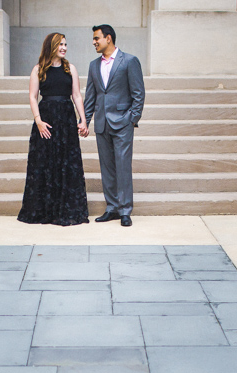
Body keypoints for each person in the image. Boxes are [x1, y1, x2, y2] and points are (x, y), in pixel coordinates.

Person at [17, 33, 90, 226]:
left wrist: (82, 120)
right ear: (52, 46)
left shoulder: (70, 68)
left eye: (66, 44)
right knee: (45, 163)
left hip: (66, 120)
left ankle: (65, 209)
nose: (64, 48)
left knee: (66, 163)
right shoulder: (38, 69)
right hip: (46, 120)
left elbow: (77, 96)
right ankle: (45, 210)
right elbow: (33, 96)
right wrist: (38, 121)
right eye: (61, 44)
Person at [82, 24, 145, 227]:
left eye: (96, 38)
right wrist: (85, 120)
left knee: (123, 167)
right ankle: (112, 208)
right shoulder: (93, 65)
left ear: (108, 38)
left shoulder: (129, 61)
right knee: (107, 168)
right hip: (102, 123)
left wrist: (132, 119)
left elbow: (138, 93)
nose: (94, 42)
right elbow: (90, 97)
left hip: (122, 123)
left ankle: (125, 210)